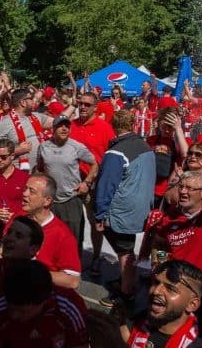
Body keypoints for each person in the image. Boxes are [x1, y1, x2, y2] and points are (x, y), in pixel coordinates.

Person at [95, 110, 156, 307]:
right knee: (126, 249)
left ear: (113, 126)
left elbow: (106, 186)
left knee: (124, 251)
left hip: (121, 210)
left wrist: (99, 215)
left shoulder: (116, 152)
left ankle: (126, 291)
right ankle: (127, 280)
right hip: (140, 206)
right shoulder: (145, 145)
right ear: (133, 126)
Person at [0, 259, 89, 348]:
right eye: (11, 308)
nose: (14, 315)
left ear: (44, 300)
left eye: (22, 311)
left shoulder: (68, 306)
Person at [150, 170, 202, 295]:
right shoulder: (169, 218)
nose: (183, 192)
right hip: (174, 288)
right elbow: (158, 244)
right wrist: (159, 263)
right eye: (181, 187)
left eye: (189, 188)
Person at [69, 91, 116, 275]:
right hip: (71, 182)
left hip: (94, 184)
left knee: (96, 222)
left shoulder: (104, 128)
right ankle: (73, 257)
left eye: (87, 105)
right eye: (80, 103)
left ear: (95, 107)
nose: (82, 107)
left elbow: (111, 157)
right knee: (73, 222)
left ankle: (96, 257)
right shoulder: (71, 125)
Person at [37, 114, 98, 252]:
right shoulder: (43, 147)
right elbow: (40, 168)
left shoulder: (76, 147)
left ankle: (74, 270)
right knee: (50, 238)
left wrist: (86, 183)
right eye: (60, 126)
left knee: (74, 240)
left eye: (67, 126)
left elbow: (94, 164)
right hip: (50, 200)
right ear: (53, 128)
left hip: (71, 199)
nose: (64, 129)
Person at [124, 260, 202, 348]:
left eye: (170, 289)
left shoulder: (197, 344)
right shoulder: (132, 328)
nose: (156, 291)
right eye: (156, 283)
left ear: (192, 304)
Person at [0, 87, 73, 171]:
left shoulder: (36, 116)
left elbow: (59, 120)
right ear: (23, 102)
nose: (33, 101)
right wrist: (17, 150)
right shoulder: (4, 123)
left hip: (41, 170)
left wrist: (73, 105)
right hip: (19, 172)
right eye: (30, 99)